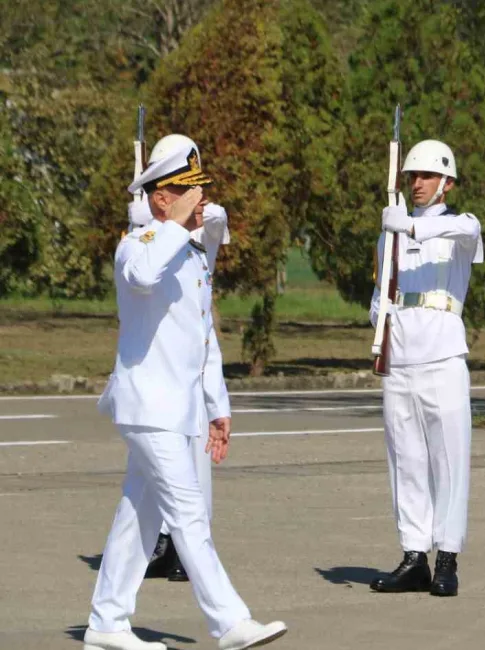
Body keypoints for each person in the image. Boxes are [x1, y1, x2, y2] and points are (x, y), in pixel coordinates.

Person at [85, 134, 286, 650]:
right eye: (188, 192)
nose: (201, 202)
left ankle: (107, 623)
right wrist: (175, 226)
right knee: (188, 511)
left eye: (202, 191)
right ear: (161, 198)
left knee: (139, 517)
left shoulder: (192, 256)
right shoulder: (139, 246)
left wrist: (218, 407)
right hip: (148, 406)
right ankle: (230, 622)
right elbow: (144, 274)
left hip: (180, 408)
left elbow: (204, 339)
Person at [368, 139, 483, 597]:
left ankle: (447, 558)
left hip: (442, 354)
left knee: (448, 460)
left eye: (426, 176)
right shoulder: (389, 232)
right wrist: (378, 322)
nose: (416, 184)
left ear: (447, 183)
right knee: (407, 459)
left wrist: (410, 231)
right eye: (412, 177)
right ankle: (414, 554)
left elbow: (467, 232)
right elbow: (381, 293)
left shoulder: (459, 227)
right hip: (401, 355)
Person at [127, 197, 232, 583]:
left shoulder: (201, 235)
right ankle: (165, 544)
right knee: (154, 477)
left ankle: (190, 554)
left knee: (195, 468)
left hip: (192, 365)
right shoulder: (152, 239)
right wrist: (147, 217)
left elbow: (217, 223)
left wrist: (197, 212)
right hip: (158, 370)